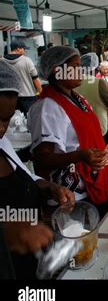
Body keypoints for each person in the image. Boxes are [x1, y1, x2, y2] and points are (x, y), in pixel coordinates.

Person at [0, 61, 74, 279]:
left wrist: (49, 187)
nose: (2, 129)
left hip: (30, 268)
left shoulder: (2, 144)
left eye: (7, 119)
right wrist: (7, 231)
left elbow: (26, 176)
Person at [28, 46, 108, 216]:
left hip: (93, 181)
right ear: (57, 70)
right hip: (71, 194)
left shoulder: (78, 98)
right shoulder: (47, 107)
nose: (80, 70)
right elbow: (43, 158)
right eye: (75, 66)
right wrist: (81, 156)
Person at [76, 53, 108, 143]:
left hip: (81, 126)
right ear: (96, 69)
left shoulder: (74, 82)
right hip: (101, 126)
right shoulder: (98, 82)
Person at [0, 41, 42, 113]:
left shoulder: (1, 61)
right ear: (18, 49)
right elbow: (35, 79)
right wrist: (42, 92)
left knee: (13, 121)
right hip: (28, 96)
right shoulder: (27, 61)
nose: (25, 51)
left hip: (10, 97)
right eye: (24, 48)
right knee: (30, 120)